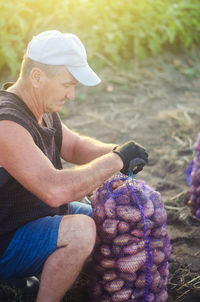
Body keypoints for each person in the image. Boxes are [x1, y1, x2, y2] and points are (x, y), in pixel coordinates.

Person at [0, 30, 148, 302]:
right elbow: (54, 190)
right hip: (5, 239)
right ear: (36, 77)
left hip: (29, 219)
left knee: (105, 217)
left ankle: (43, 277)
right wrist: (115, 161)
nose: (72, 95)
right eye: (67, 84)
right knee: (81, 231)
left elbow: (76, 147)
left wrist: (119, 150)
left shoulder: (40, 108)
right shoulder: (6, 124)